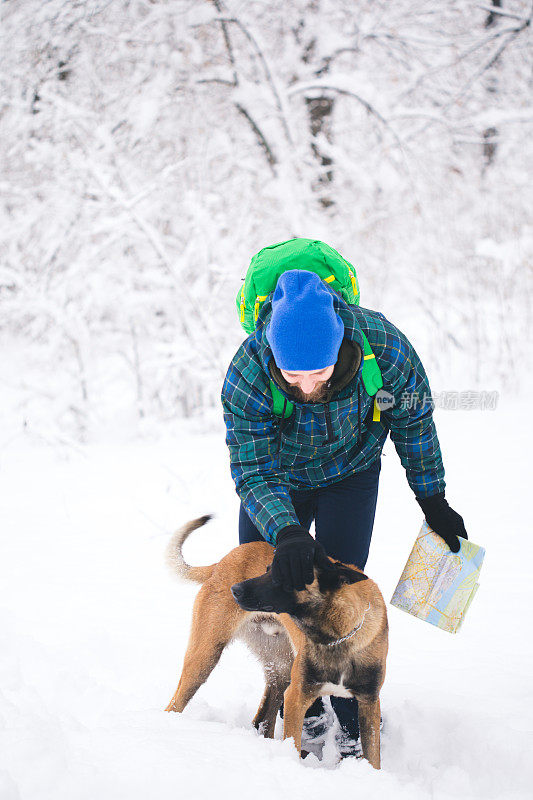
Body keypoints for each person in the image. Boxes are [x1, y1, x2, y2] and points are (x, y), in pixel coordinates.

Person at [221, 261, 468, 757]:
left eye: (320, 371)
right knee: (277, 588)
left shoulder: (385, 346)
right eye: (292, 374)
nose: (308, 385)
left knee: (340, 587)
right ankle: (303, 705)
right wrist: (286, 530)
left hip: (351, 475)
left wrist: (432, 497)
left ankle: (354, 705)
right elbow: (252, 466)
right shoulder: (247, 370)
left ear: (340, 347)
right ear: (272, 353)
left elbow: (414, 419)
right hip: (278, 480)